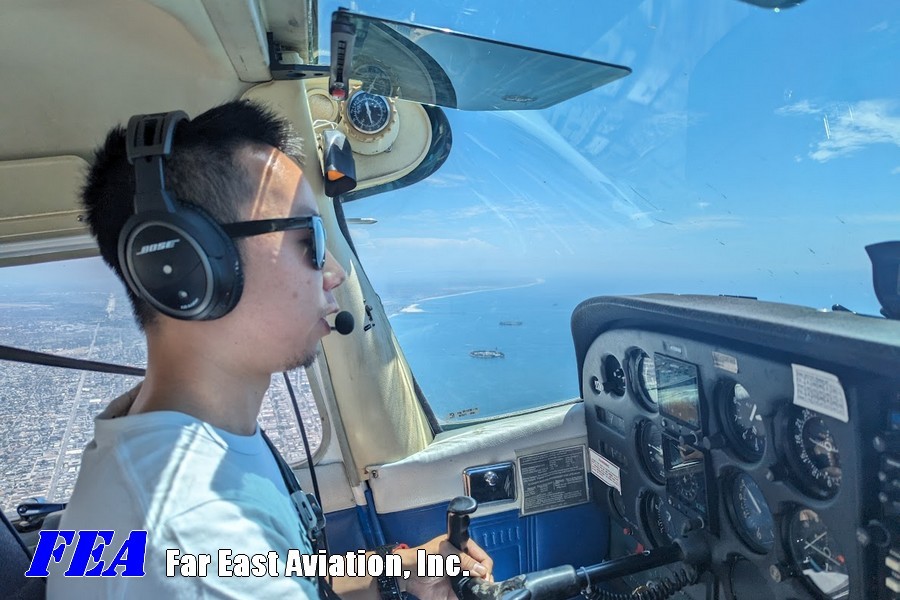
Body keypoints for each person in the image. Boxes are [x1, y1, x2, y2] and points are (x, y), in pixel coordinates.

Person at [46, 100, 492, 599]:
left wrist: (400, 566)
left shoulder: (157, 446)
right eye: (309, 238)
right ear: (187, 264)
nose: (335, 274)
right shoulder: (191, 533)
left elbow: (260, 564)